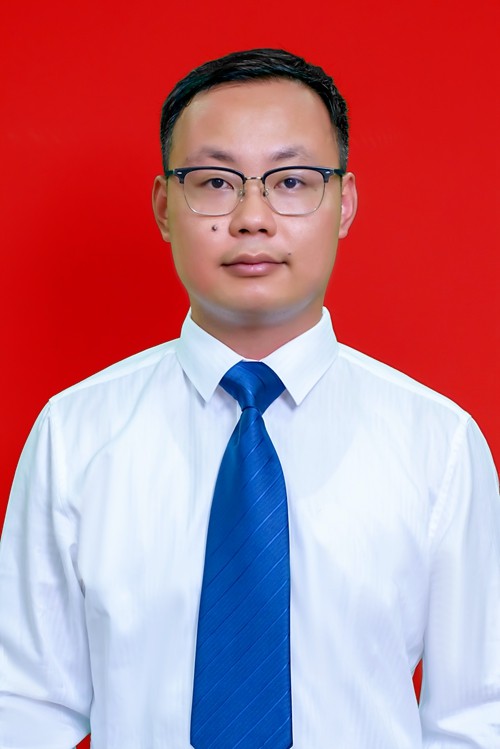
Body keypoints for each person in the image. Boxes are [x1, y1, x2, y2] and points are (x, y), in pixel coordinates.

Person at [0, 48, 499, 749]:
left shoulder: (438, 444)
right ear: (164, 206)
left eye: (292, 181)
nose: (253, 218)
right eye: (215, 182)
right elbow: (24, 707)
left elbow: (476, 718)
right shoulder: (74, 433)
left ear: (345, 203)